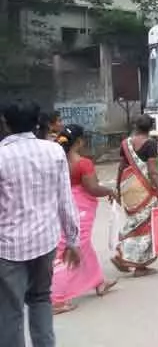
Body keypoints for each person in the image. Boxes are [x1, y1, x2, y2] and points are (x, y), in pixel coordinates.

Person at [0, 102, 81, 347]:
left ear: (5, 123)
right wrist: (73, 240)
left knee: (10, 310)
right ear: (38, 123)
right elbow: (65, 199)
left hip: (8, 248)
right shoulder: (54, 152)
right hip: (45, 242)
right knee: (41, 299)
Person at [51, 124, 119, 314]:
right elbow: (92, 188)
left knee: (84, 245)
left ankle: (98, 282)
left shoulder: (57, 160)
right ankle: (56, 299)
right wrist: (109, 191)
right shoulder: (83, 163)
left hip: (60, 206)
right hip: (79, 210)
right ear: (79, 142)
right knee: (73, 248)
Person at [112, 113, 158, 277]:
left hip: (127, 186)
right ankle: (135, 263)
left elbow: (121, 167)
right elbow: (152, 171)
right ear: (150, 128)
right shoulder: (150, 144)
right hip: (144, 189)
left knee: (133, 221)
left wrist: (117, 189)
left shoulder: (125, 143)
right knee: (145, 225)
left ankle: (125, 255)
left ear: (135, 126)